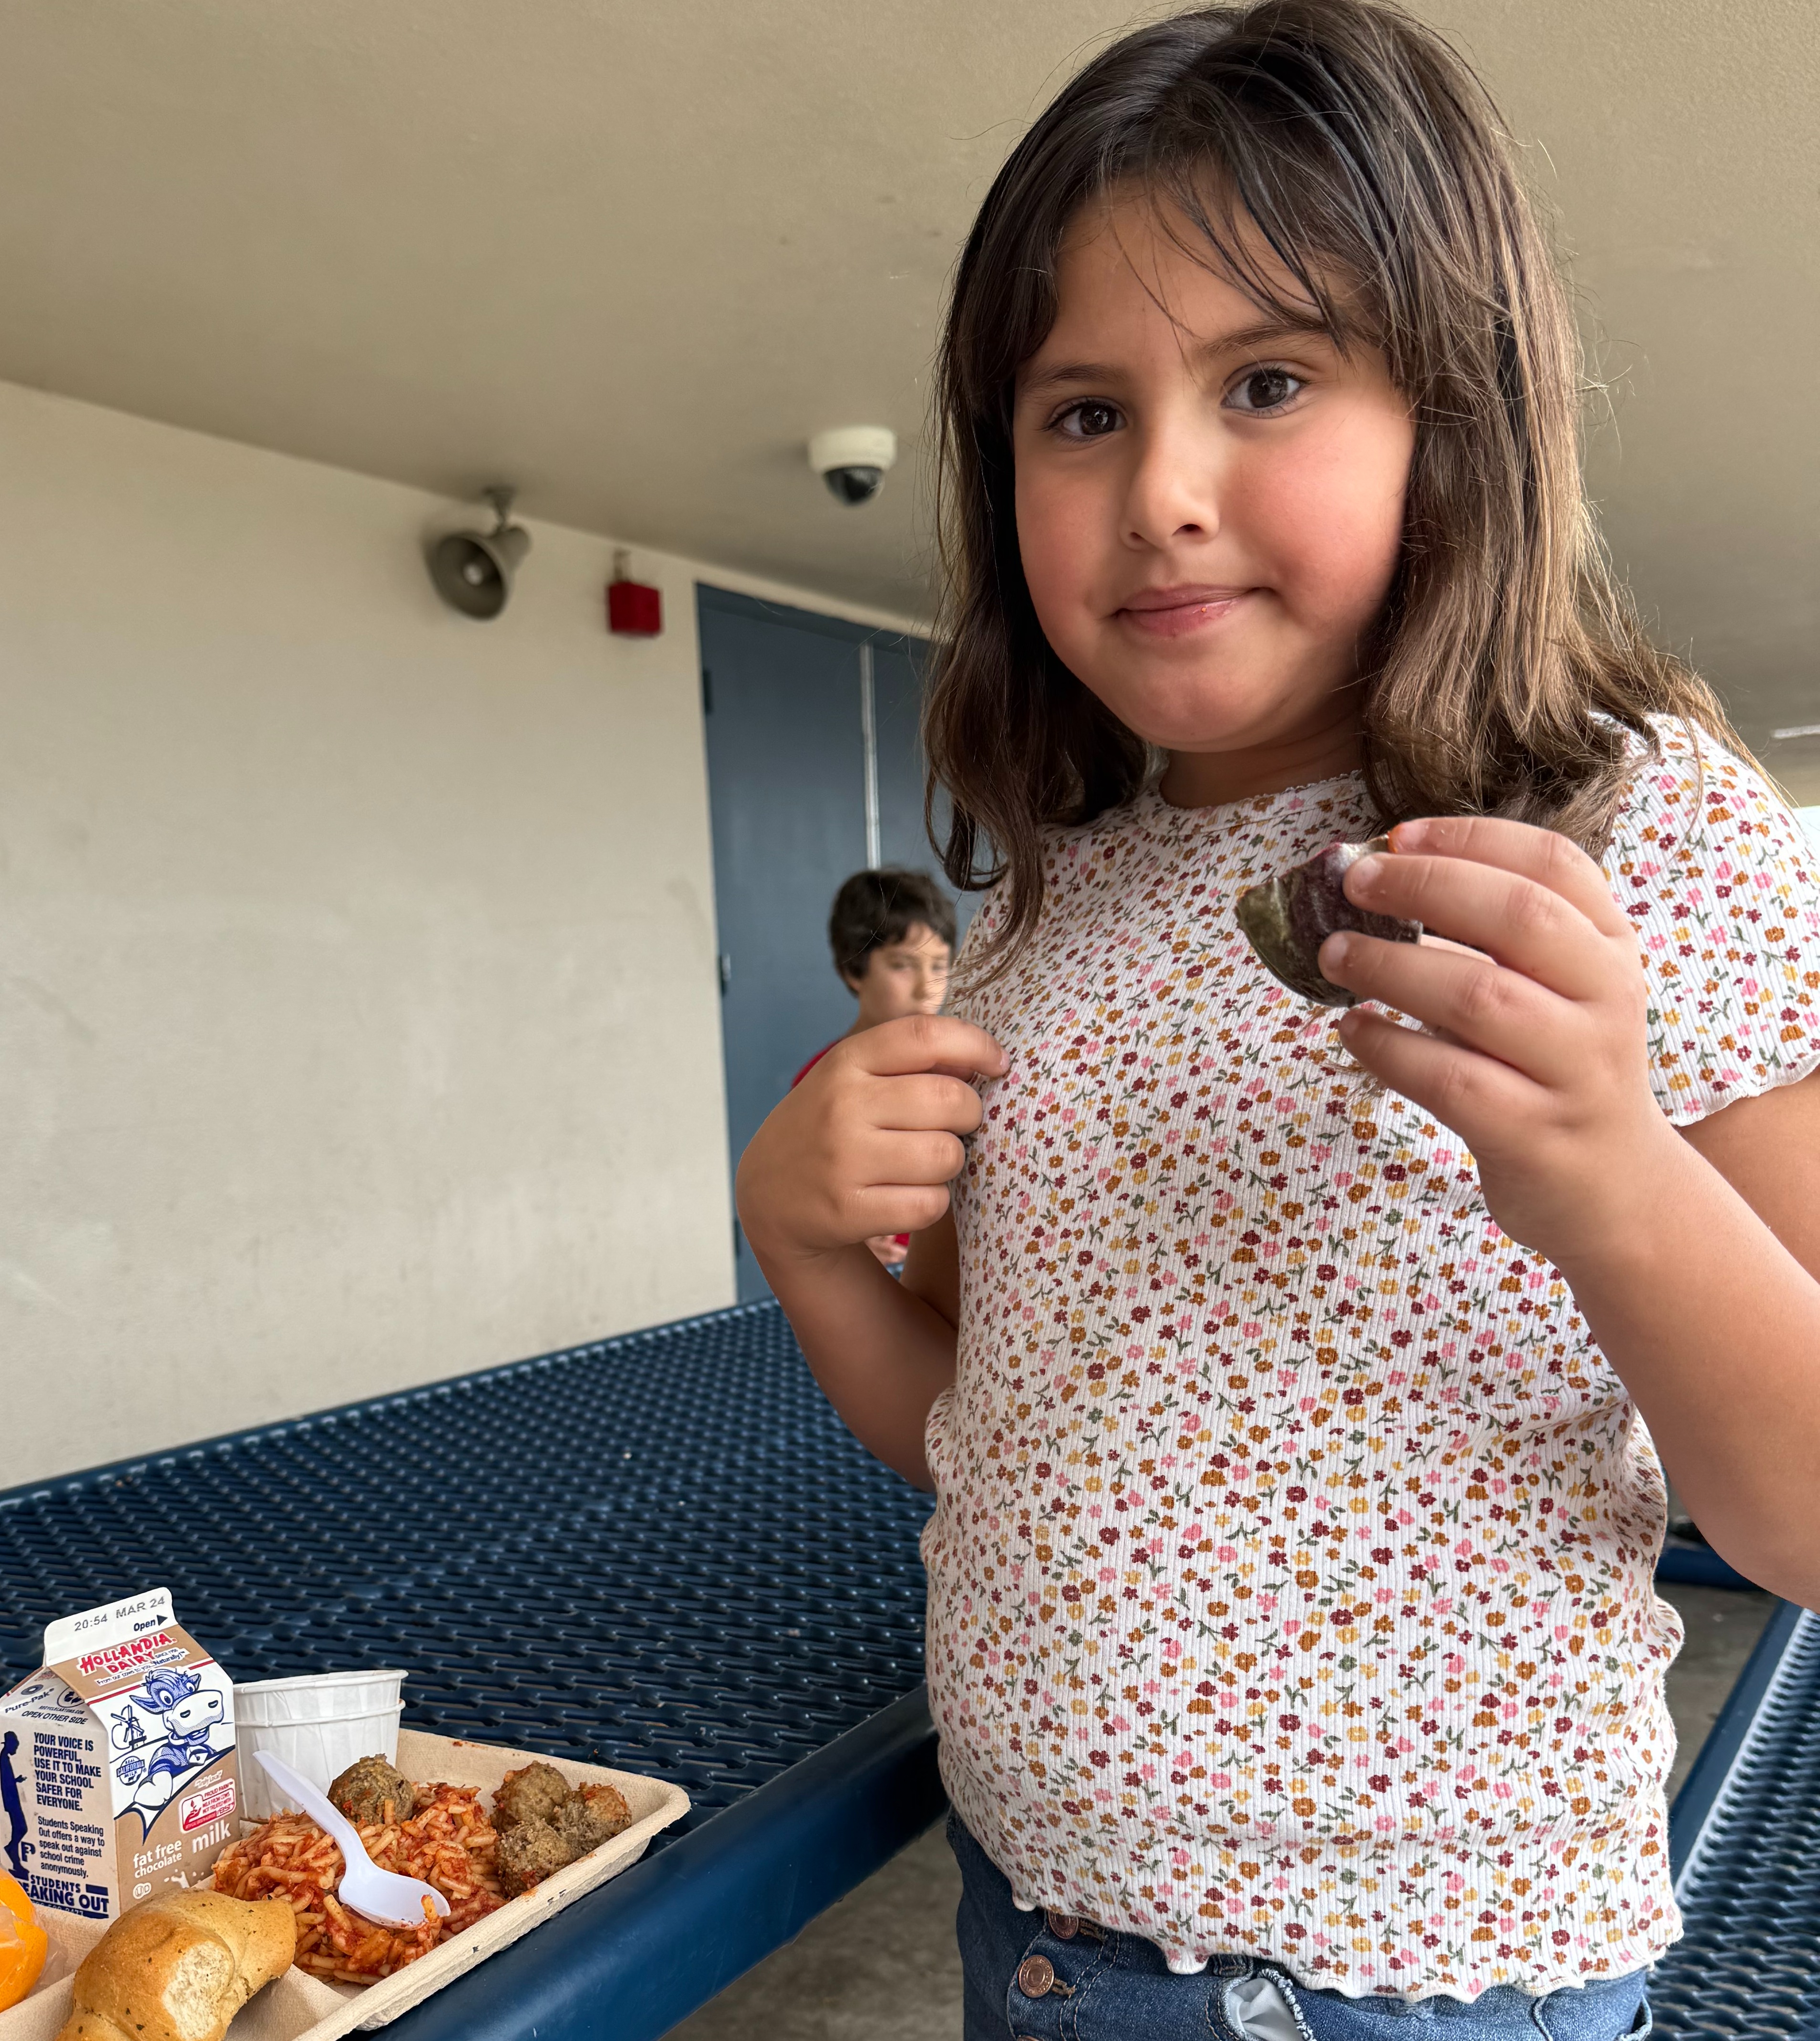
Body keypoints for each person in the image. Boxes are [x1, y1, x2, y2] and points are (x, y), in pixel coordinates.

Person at [735, 4, 1820, 2035]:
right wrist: (802, 1240)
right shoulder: (1049, 893)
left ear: (1456, 416)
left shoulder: (1625, 826)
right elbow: (995, 1434)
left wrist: (1597, 1170)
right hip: (1037, 1926)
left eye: (1264, 380)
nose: (1160, 488)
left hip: (1435, 1976)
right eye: (1077, 412)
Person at [793, 868, 957, 1268]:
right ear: (854, 970)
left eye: (938, 966)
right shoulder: (822, 1084)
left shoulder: (958, 1072)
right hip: (876, 1282)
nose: (927, 988)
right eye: (903, 965)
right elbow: (800, 1202)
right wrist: (847, 1249)